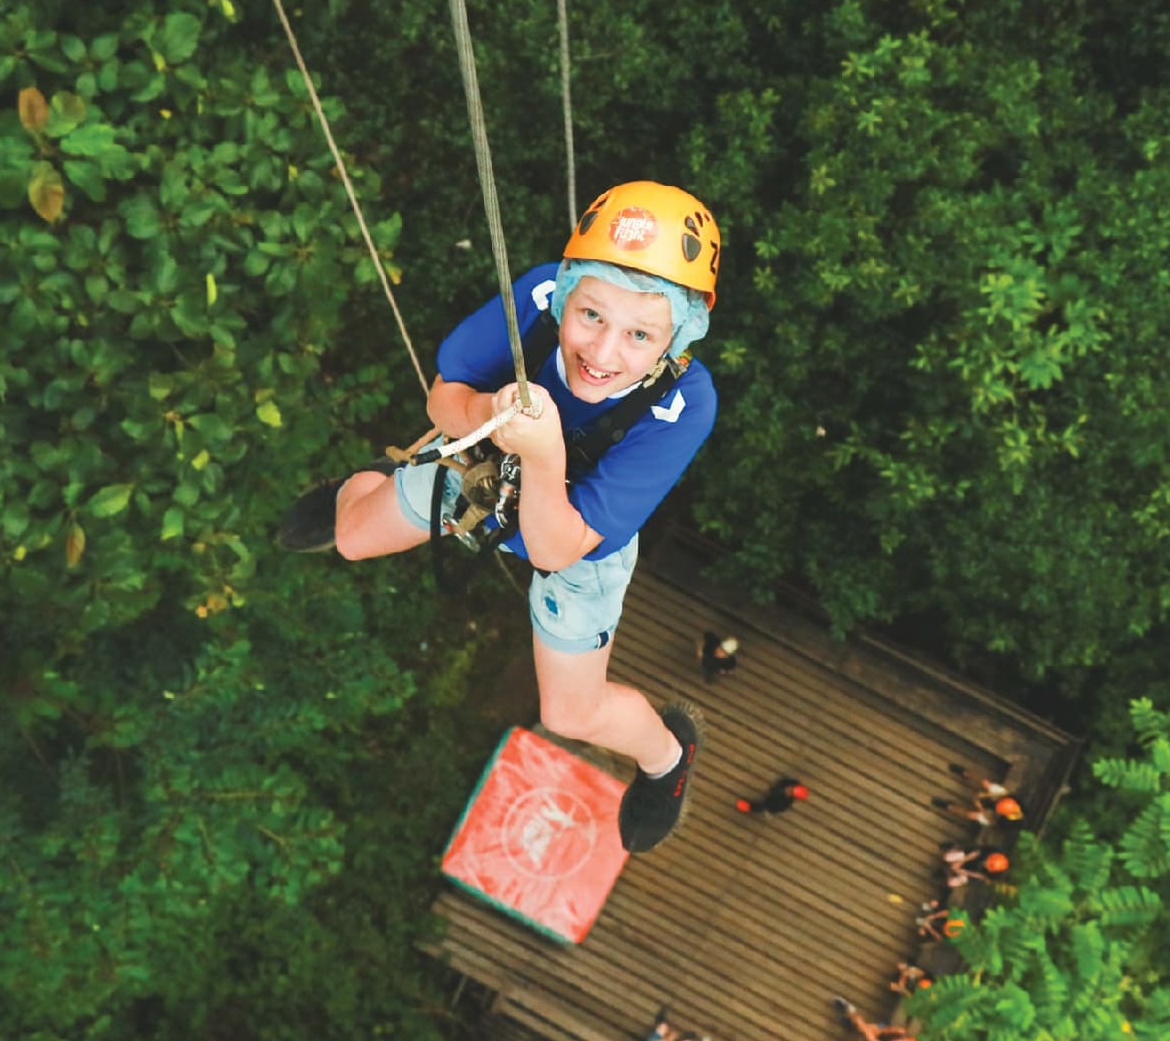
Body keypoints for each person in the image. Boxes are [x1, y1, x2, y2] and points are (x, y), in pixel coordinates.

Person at [275, 182, 722, 855]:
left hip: (579, 543)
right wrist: (492, 415)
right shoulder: (542, 297)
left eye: (638, 334)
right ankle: (366, 483)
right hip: (486, 463)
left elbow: (558, 547)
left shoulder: (683, 404)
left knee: (569, 711)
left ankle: (667, 757)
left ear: (674, 340)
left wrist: (541, 453)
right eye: (591, 314)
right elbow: (444, 398)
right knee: (351, 535)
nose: (601, 352)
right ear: (569, 292)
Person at [831, 996, 917, 1040]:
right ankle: (849, 1012)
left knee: (864, 1029)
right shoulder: (901, 1033)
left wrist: (865, 1029)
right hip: (883, 1029)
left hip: (877, 1037)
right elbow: (888, 1028)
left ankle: (851, 1017)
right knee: (866, 1028)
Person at [734, 777, 808, 815]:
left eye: (791, 792)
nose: (789, 789)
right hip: (775, 791)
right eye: (792, 788)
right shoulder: (790, 783)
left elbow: (772, 808)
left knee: (762, 807)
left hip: (771, 803)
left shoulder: (784, 803)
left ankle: (748, 807)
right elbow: (783, 781)